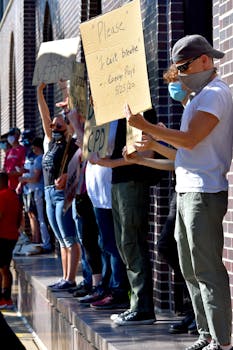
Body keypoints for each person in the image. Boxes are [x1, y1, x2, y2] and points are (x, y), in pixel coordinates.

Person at [126, 34, 233, 350]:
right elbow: (184, 154)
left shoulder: (215, 93)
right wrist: (154, 146)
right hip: (188, 191)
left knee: (207, 270)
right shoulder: (199, 97)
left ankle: (222, 341)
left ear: (205, 60)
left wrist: (146, 127)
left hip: (204, 192)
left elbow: (190, 139)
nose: (182, 74)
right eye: (179, 68)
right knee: (190, 269)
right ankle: (206, 333)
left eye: (185, 67)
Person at [92, 109, 164, 325]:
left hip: (132, 183)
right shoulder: (112, 116)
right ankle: (135, 305)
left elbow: (145, 155)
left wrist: (111, 163)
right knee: (124, 245)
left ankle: (142, 308)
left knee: (131, 242)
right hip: (118, 183)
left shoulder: (141, 111)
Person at [37, 82, 80, 291]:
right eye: (53, 126)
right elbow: (45, 116)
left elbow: (70, 112)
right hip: (48, 192)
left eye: (59, 125)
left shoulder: (70, 140)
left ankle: (71, 278)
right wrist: (39, 92)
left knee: (69, 236)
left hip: (62, 193)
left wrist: (66, 91)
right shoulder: (49, 141)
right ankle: (65, 277)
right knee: (61, 238)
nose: (54, 128)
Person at [84, 119, 130, 310]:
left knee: (114, 244)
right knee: (105, 244)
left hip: (110, 190)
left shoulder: (118, 123)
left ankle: (118, 290)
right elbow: (87, 151)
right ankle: (106, 285)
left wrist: (104, 161)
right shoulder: (96, 121)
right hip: (97, 195)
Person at [18, 137, 52, 253]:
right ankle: (39, 240)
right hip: (34, 191)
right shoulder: (36, 159)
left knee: (41, 218)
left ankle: (46, 243)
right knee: (35, 217)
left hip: (39, 191)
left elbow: (36, 178)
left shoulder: (39, 159)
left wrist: (23, 179)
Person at [0, 172, 22, 309]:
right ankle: (6, 298)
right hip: (11, 236)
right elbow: (19, 215)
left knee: (2, 268)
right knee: (5, 267)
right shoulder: (13, 195)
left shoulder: (2, 195)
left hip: (2, 235)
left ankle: (4, 298)